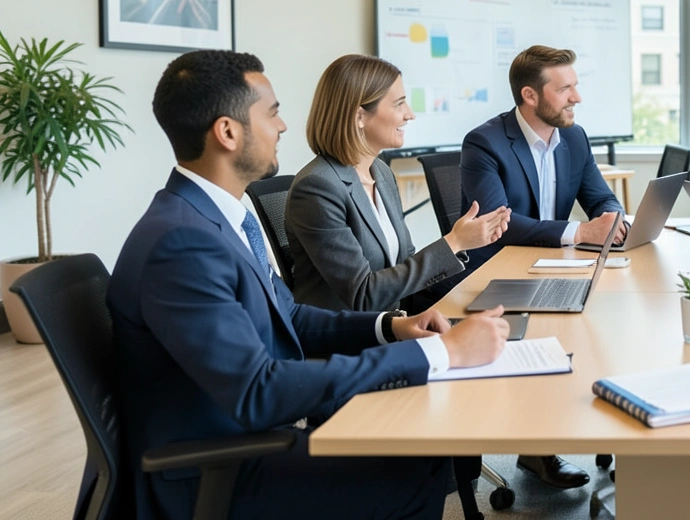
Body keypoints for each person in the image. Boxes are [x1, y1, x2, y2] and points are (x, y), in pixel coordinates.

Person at [107, 50, 511, 520]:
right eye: (273, 113)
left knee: (424, 455)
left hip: (245, 440)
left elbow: (291, 317)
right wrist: (439, 353)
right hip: (214, 470)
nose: (282, 127)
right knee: (409, 472)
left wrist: (393, 328)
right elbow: (257, 391)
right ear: (228, 132)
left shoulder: (215, 219)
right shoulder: (182, 243)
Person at [460, 44, 622, 489]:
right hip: (501, 273)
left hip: (556, 264)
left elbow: (600, 197)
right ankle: (536, 451)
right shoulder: (484, 142)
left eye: (576, 86)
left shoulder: (574, 137)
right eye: (565, 88)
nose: (576, 97)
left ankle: (620, 433)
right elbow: (499, 224)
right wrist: (578, 233)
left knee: (613, 322)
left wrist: (611, 218)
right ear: (530, 96)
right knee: (554, 336)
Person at [287, 54, 511, 314]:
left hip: (397, 321)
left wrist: (468, 253)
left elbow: (406, 267)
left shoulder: (380, 172)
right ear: (359, 116)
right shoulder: (318, 187)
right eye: (399, 104)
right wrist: (454, 243)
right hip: (350, 340)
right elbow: (363, 295)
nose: (410, 115)